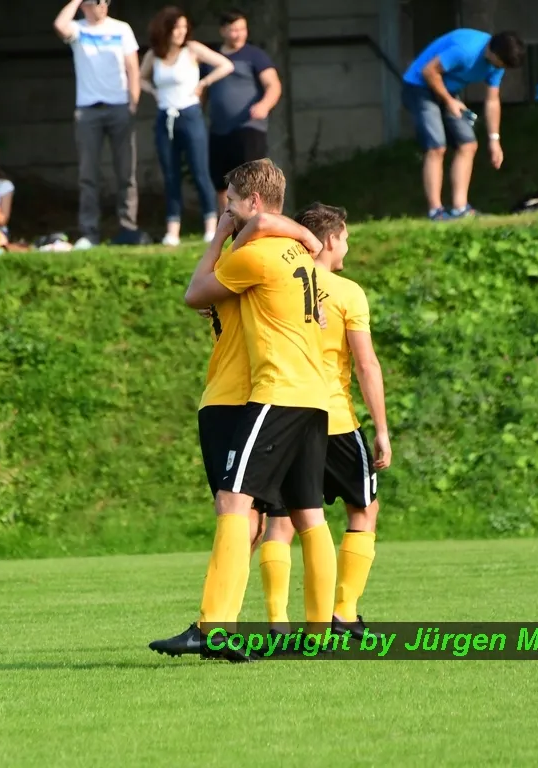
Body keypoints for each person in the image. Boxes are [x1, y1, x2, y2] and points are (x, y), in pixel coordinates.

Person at [149, 159, 335, 661]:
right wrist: (304, 236)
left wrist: (224, 236)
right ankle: (320, 634)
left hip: (277, 391)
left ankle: (213, 629)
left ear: (252, 202)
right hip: (314, 396)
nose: (226, 211)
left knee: (234, 502)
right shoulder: (296, 253)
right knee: (308, 514)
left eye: (231, 202)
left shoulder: (254, 256)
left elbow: (195, 293)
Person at [240, 203, 391, 641]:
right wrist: (382, 429)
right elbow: (366, 364)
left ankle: (277, 621)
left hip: (286, 412)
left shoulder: (281, 281)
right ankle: (343, 612)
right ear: (329, 239)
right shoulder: (346, 292)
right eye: (345, 239)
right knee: (364, 509)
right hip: (335, 418)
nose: (347, 247)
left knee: (282, 520)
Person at [400, 30, 527, 220]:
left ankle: (460, 209)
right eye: (500, 64)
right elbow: (429, 71)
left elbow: (492, 100)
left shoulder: (498, 62)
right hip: (419, 87)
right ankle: (436, 211)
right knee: (436, 146)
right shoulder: (465, 51)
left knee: (468, 144)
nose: (500, 69)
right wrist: (449, 101)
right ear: (492, 52)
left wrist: (494, 140)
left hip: (447, 90)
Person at [140, 6, 234, 246]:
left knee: (199, 171)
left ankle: (210, 226)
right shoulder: (155, 54)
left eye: (184, 27)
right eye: (176, 28)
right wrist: (153, 91)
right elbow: (140, 78)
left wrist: (204, 82)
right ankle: (172, 230)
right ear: (166, 30)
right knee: (170, 174)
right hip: (165, 117)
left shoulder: (192, 49)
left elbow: (225, 65)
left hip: (190, 114)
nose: (181, 32)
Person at [53, 0, 140, 250]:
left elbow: (132, 67)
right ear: (85, 6)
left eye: (106, 1)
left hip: (119, 107)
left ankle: (128, 228)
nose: (103, 5)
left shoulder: (121, 28)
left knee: (126, 172)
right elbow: (59, 25)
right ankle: (89, 232)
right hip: (88, 110)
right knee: (88, 175)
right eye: (97, 1)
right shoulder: (78, 29)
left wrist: (133, 103)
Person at [204, 9, 283, 215]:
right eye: (234, 30)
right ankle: (227, 222)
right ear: (223, 31)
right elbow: (202, 90)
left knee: (252, 179)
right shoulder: (212, 59)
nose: (239, 34)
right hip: (219, 130)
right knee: (221, 182)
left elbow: (273, 85)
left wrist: (264, 105)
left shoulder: (255, 56)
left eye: (242, 29)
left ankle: (257, 220)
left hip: (249, 127)